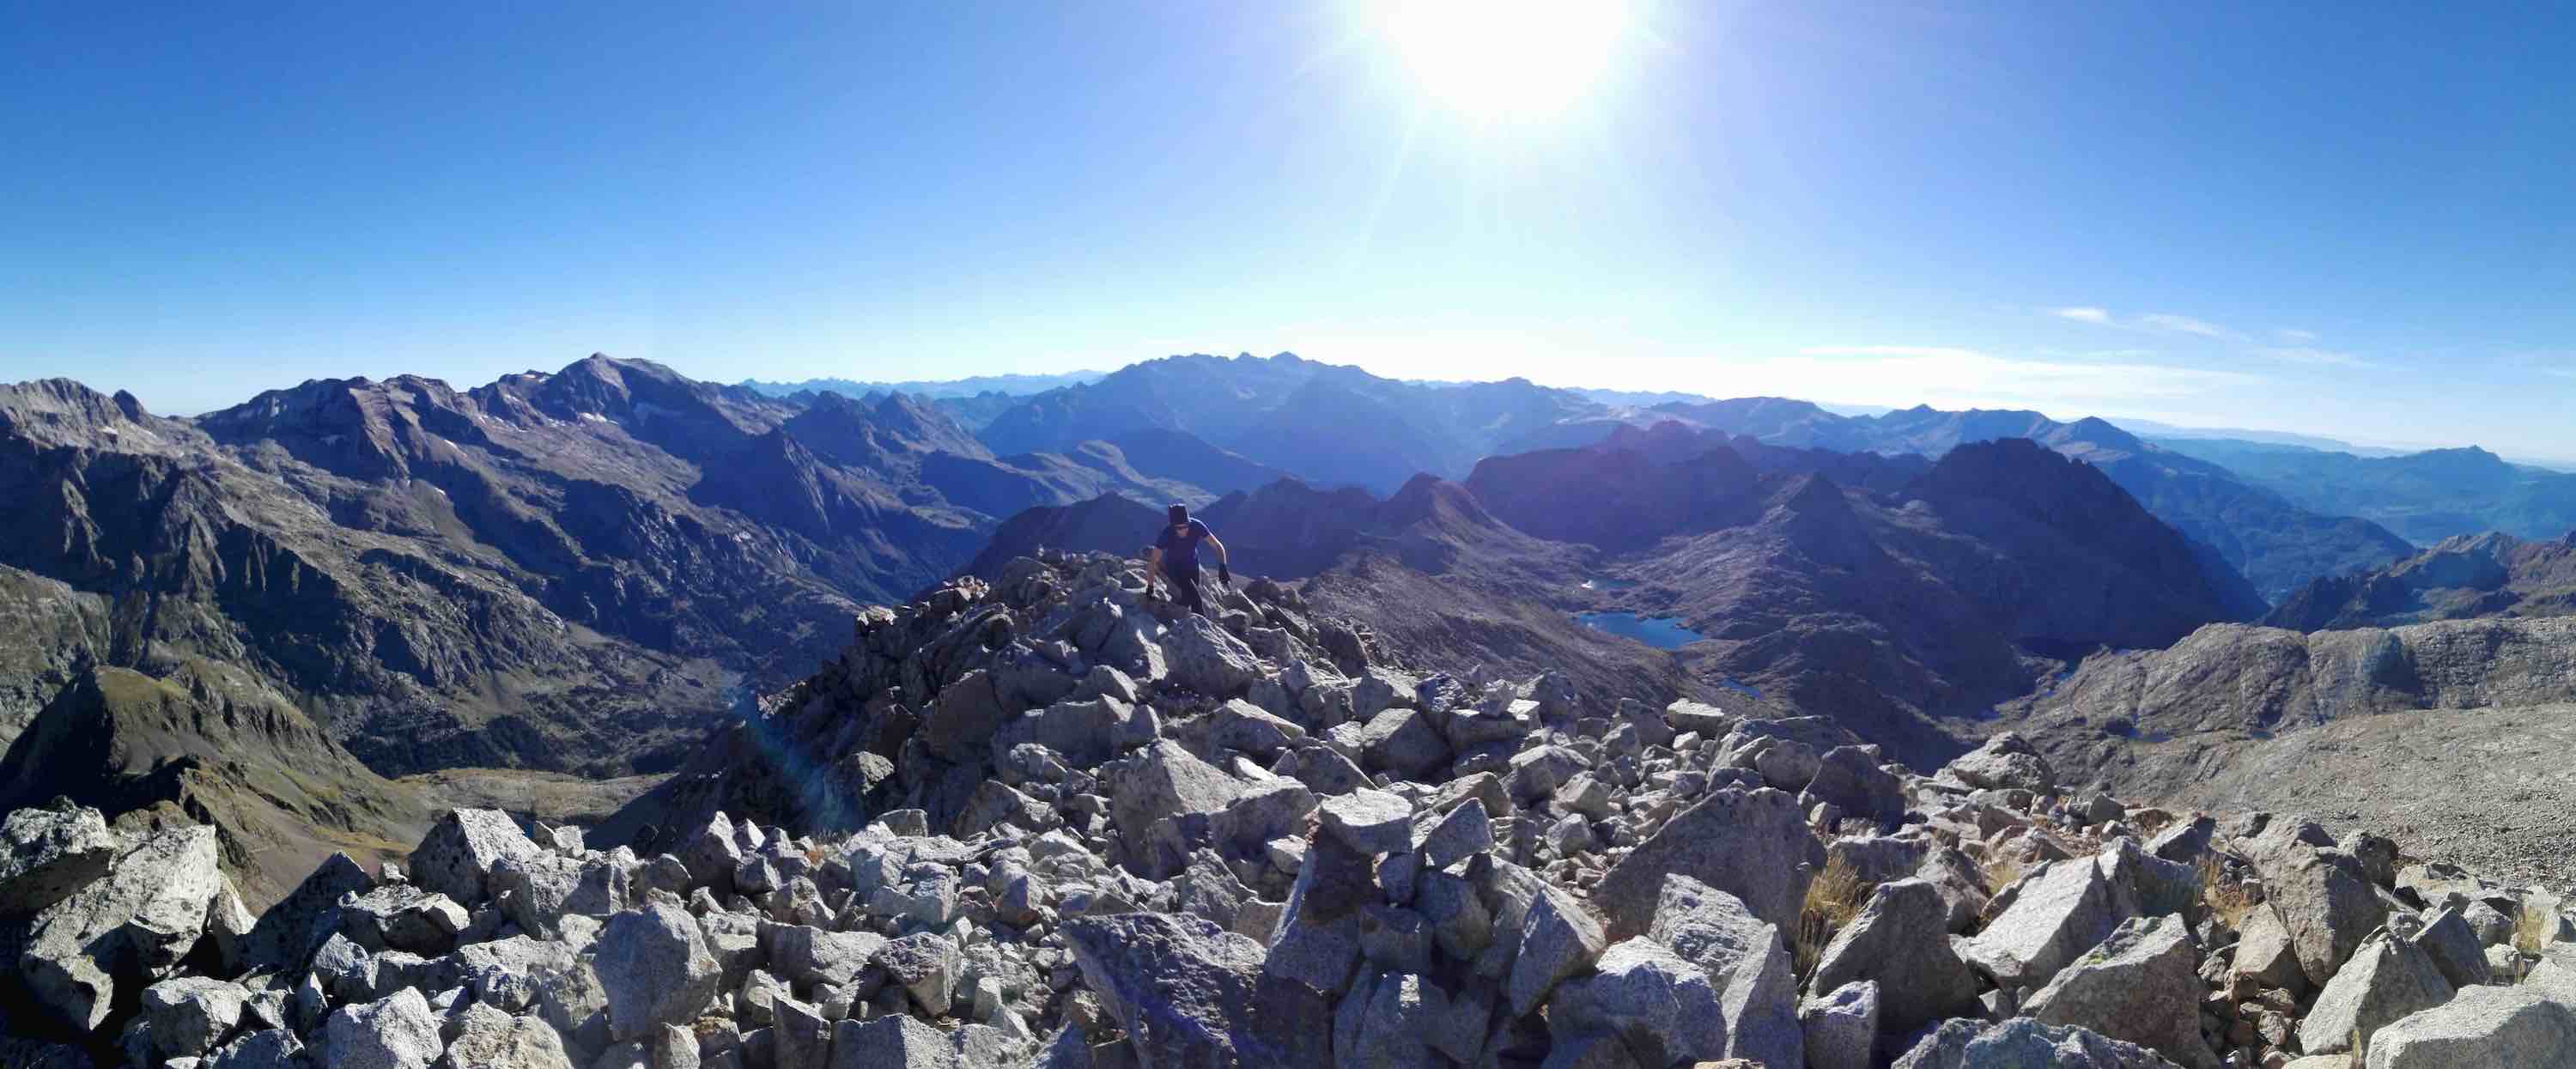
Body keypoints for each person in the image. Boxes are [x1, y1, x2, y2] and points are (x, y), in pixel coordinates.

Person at [1145, 502, 1229, 616]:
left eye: (1186, 526)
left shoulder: (1197, 526)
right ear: (1173, 526)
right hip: (1175, 568)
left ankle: (1173, 614)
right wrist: (1150, 587)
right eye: (1179, 528)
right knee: (1196, 600)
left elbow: (1217, 545)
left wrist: (1223, 566)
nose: (1184, 530)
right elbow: (1153, 561)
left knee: (1188, 598)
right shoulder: (1167, 534)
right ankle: (1202, 629)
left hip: (1193, 566)